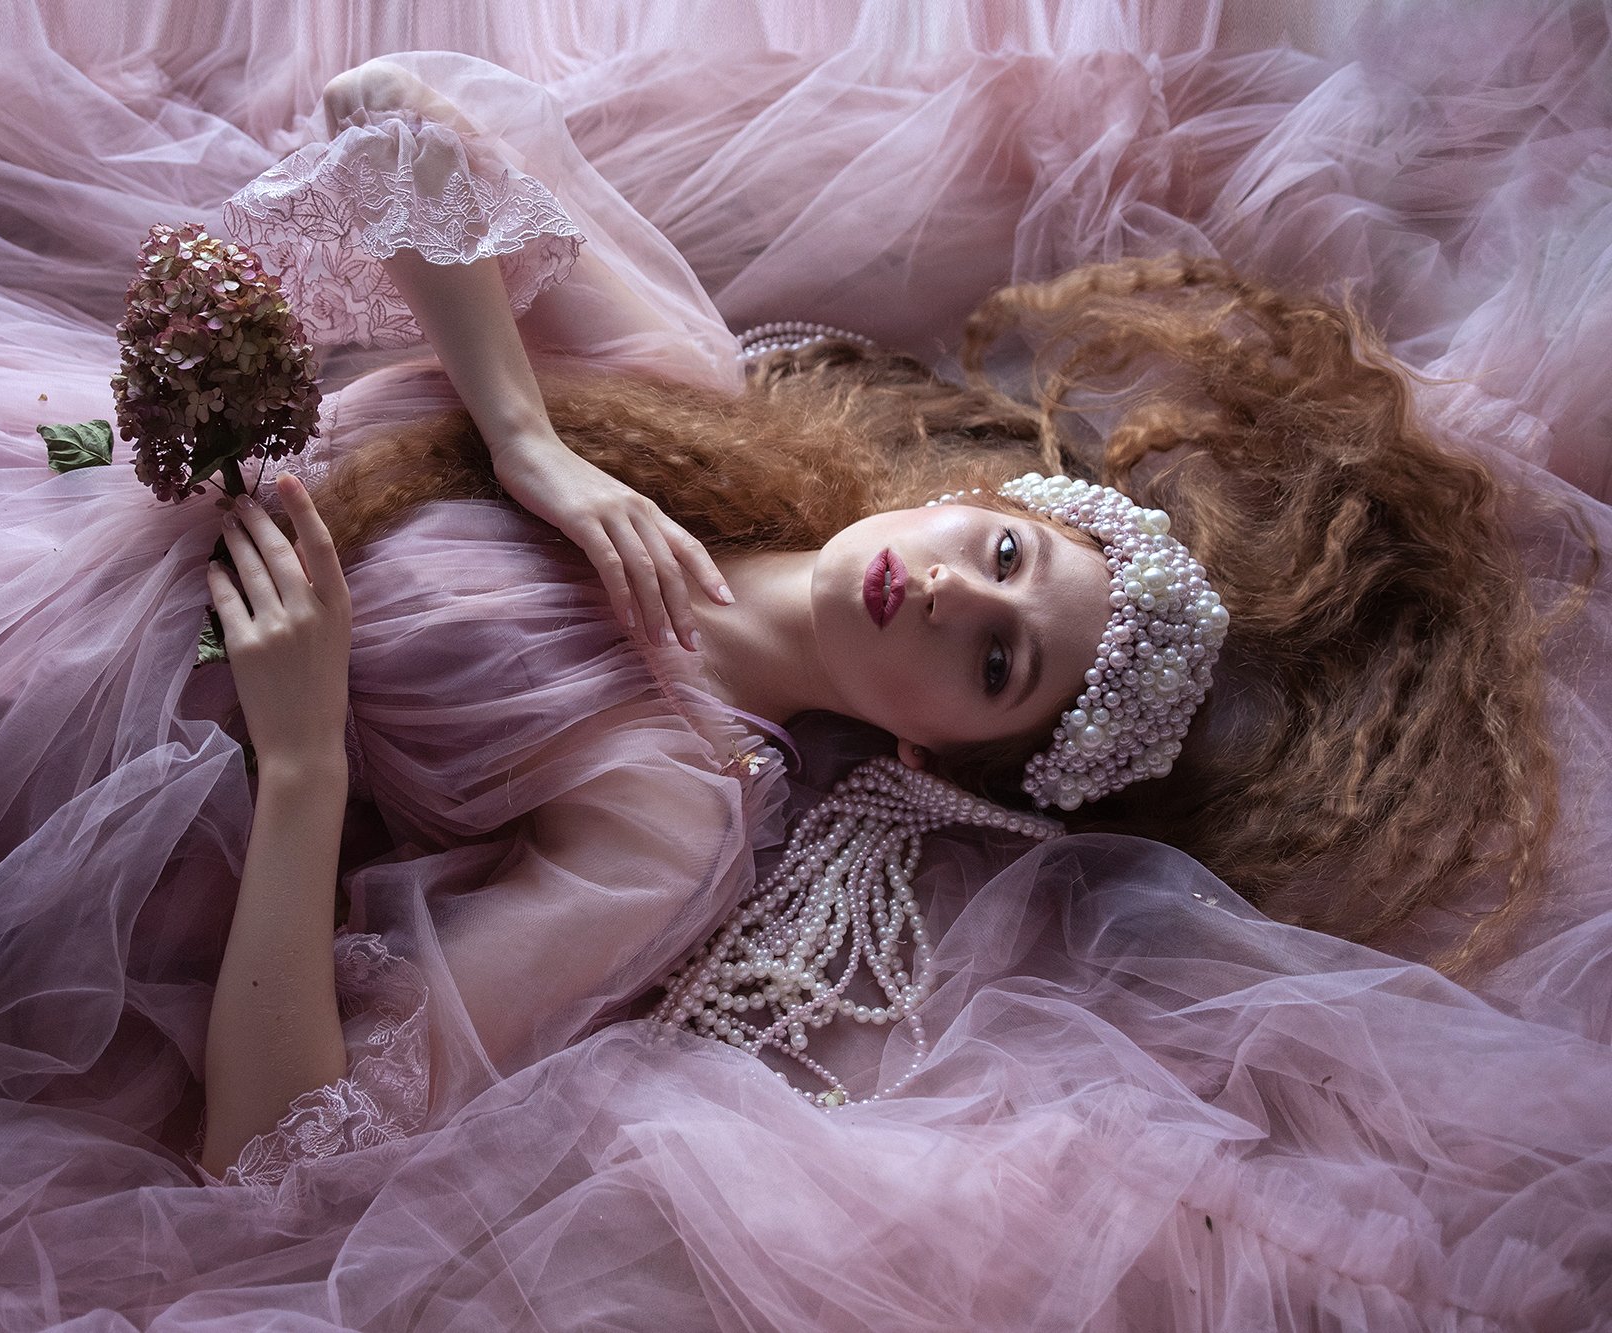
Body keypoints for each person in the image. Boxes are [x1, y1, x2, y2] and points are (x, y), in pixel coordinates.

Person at [188, 57, 1569, 1180]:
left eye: (997, 661)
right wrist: (528, 438)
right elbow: (379, 107)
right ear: (969, 499)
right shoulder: (682, 398)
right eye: (1007, 552)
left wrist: (305, 763)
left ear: (932, 756)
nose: (960, 593)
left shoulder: (669, 815)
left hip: (128, 770)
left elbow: (275, 1152)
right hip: (100, 474)